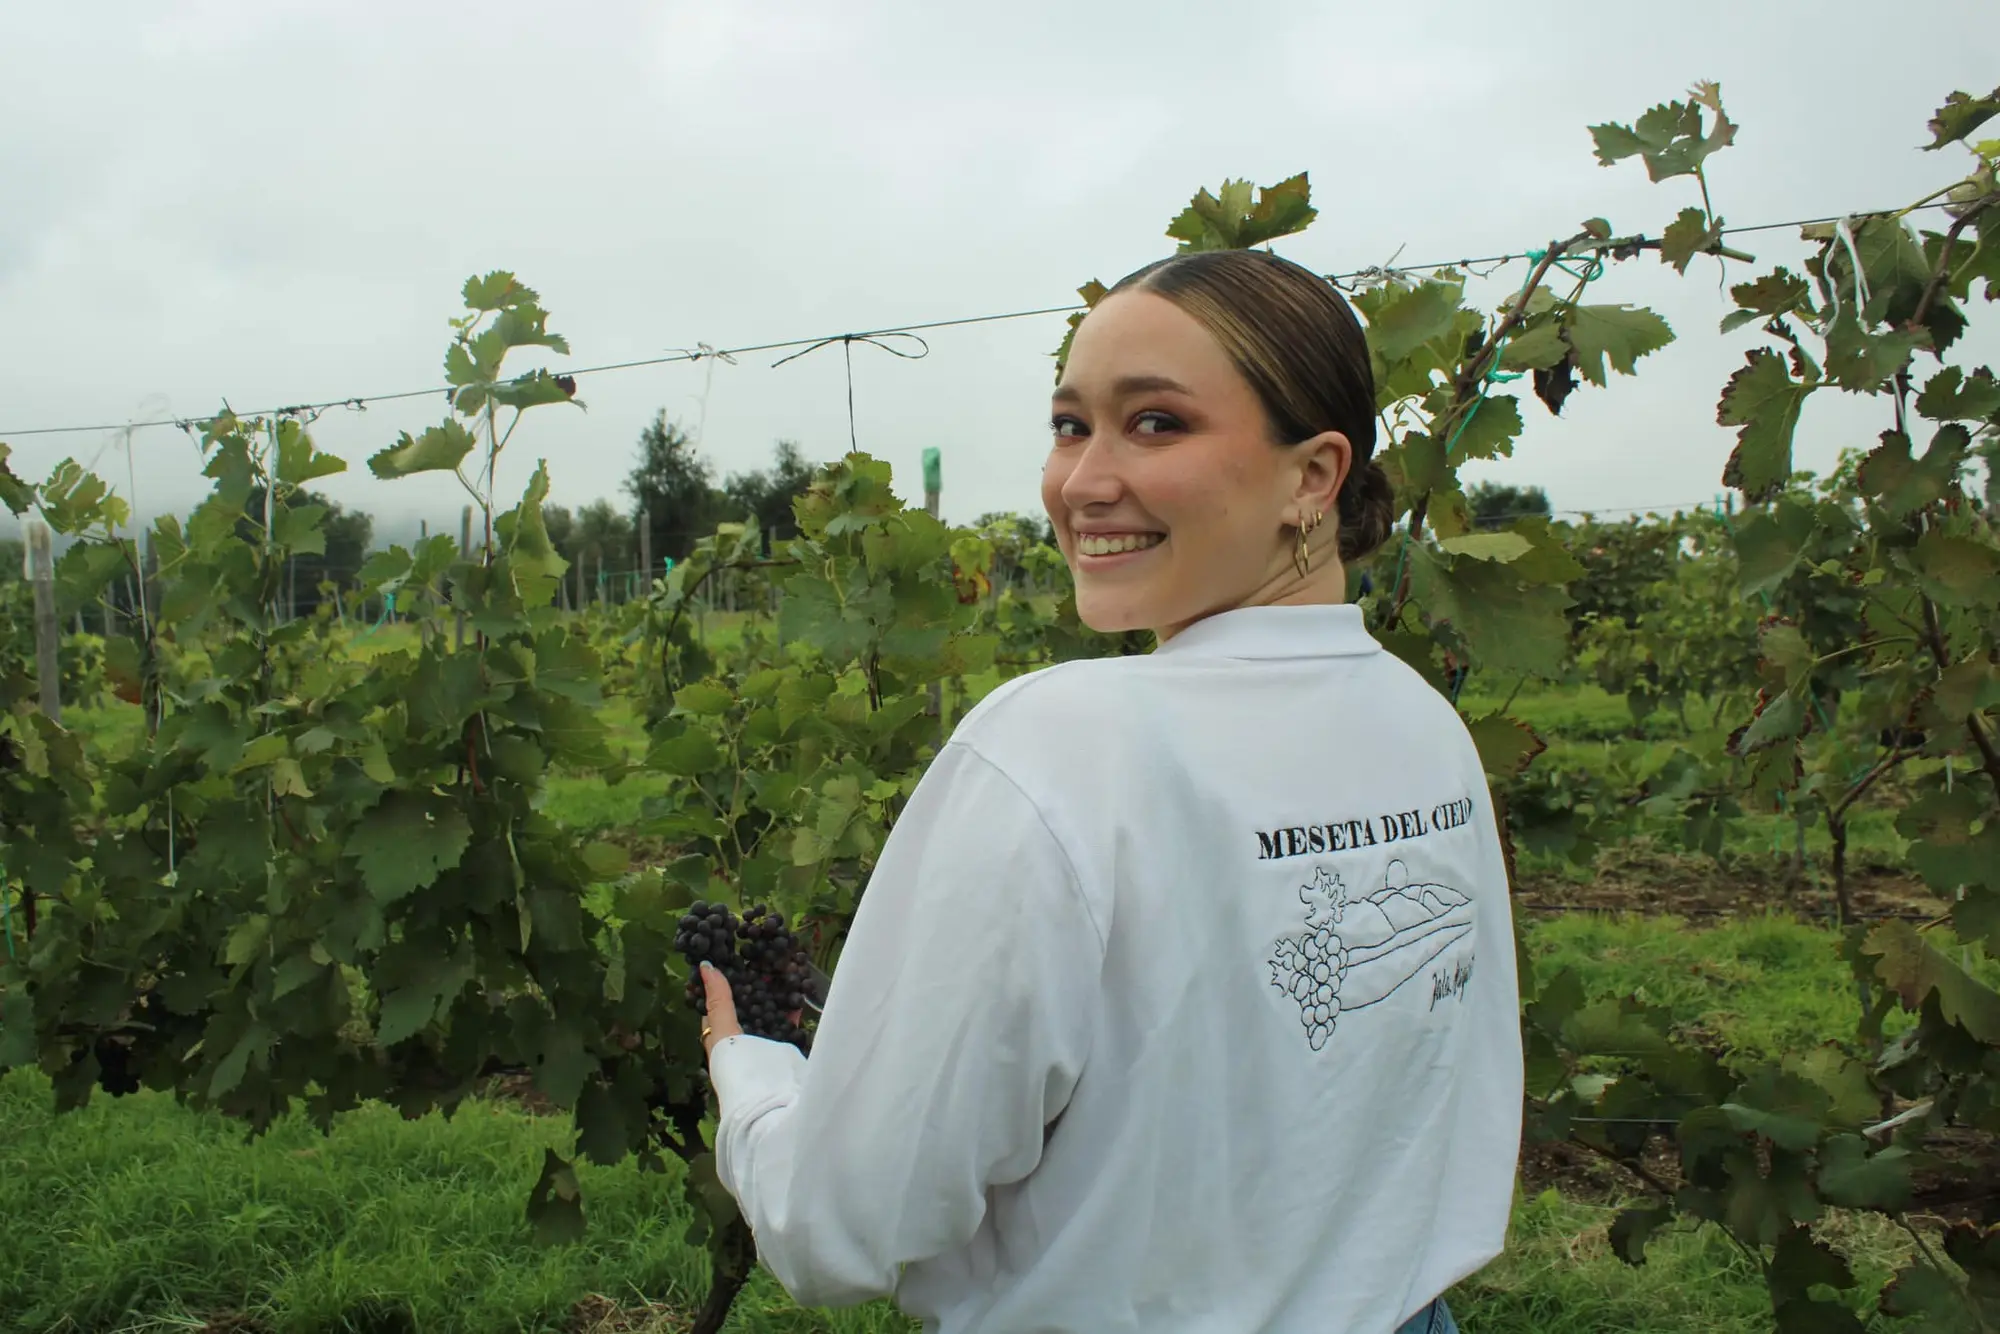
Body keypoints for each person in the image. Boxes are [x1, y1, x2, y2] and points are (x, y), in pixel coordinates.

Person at [698, 248, 1523, 1334]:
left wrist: (751, 1074)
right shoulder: (1423, 725)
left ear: (1313, 476)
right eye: (1069, 422)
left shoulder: (1055, 746)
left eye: (1155, 424)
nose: (1081, 481)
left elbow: (835, 1224)